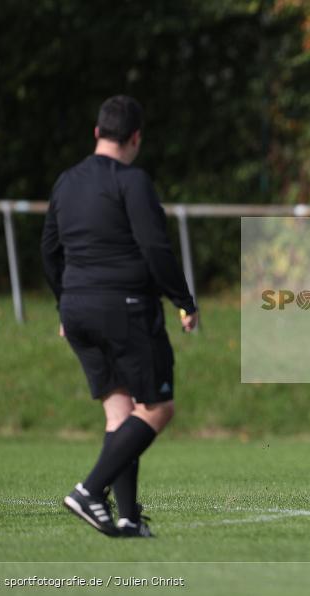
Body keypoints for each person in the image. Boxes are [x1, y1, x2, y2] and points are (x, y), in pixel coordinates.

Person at [41, 95, 198, 536]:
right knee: (157, 408)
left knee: (120, 414)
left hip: (77, 309)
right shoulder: (132, 181)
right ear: (135, 138)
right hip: (124, 307)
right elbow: (154, 247)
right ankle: (90, 491)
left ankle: (127, 517)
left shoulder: (66, 182)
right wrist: (184, 300)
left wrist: (63, 305)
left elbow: (49, 250)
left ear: (96, 133)